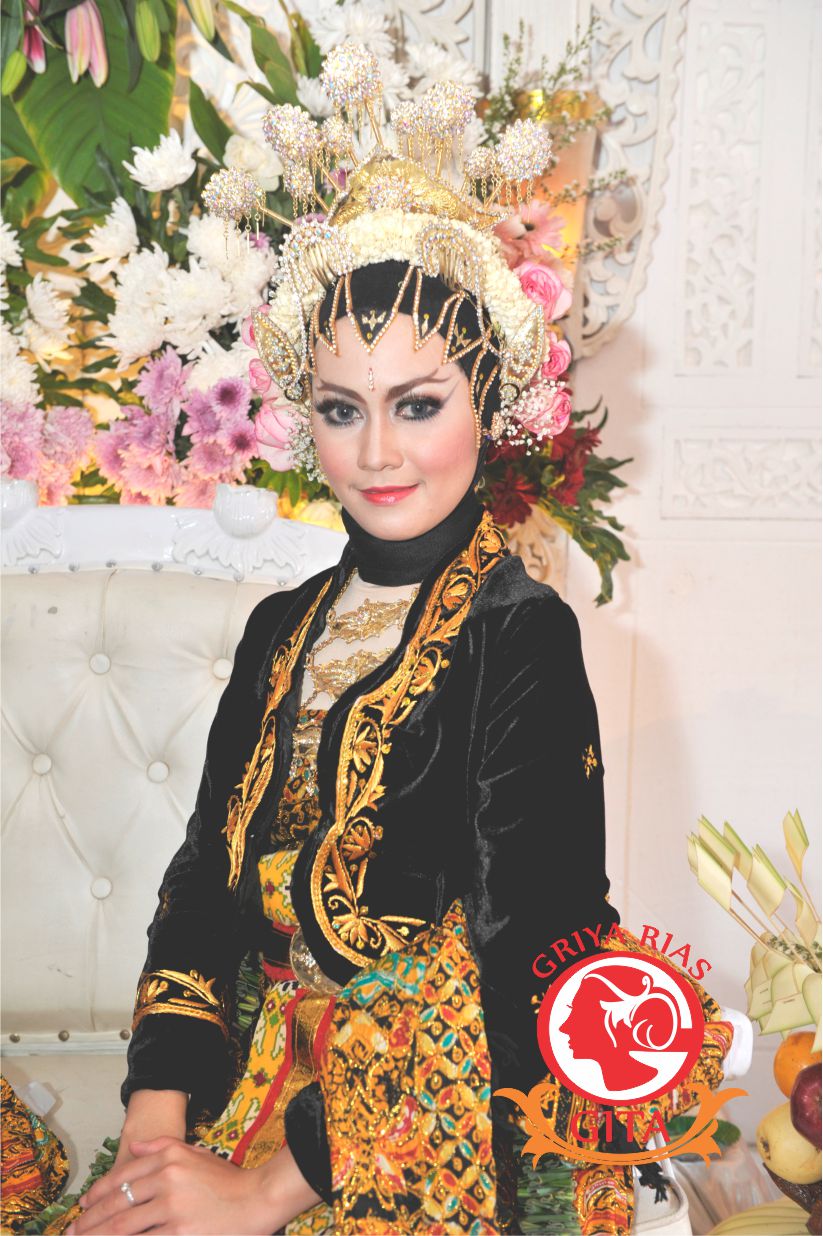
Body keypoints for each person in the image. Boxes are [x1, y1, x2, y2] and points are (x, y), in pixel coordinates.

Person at [65, 44, 742, 1236]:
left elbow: (524, 960)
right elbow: (204, 882)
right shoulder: (281, 627)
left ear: (492, 402)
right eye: (341, 409)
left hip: (427, 1131)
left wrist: (261, 1192)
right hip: (250, 1086)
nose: (376, 453)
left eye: (417, 405)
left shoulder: (520, 635)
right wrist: (155, 1126)